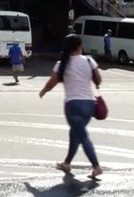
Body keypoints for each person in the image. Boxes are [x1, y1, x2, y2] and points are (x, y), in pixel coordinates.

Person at [39, 34, 103, 180]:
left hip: (73, 105)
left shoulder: (62, 64)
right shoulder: (88, 60)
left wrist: (43, 91)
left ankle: (96, 166)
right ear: (80, 46)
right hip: (89, 104)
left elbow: (52, 82)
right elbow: (98, 79)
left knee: (82, 136)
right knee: (75, 133)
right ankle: (67, 163)